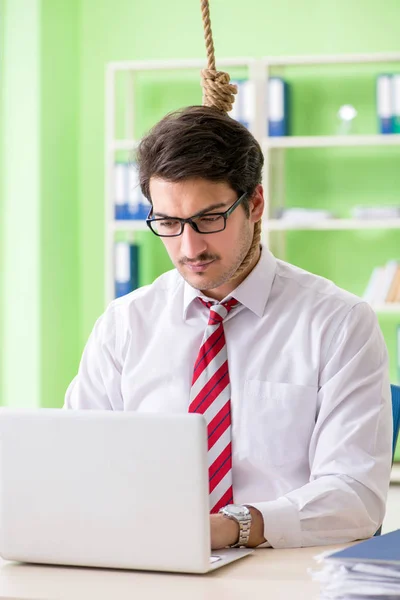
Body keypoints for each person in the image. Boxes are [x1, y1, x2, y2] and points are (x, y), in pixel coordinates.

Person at [65, 105, 392, 551]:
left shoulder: (338, 323)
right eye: (168, 223)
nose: (189, 247)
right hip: (149, 559)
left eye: (208, 219)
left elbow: (356, 497)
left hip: (281, 571)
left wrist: (230, 527)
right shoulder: (125, 324)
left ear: (254, 203)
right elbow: (75, 463)